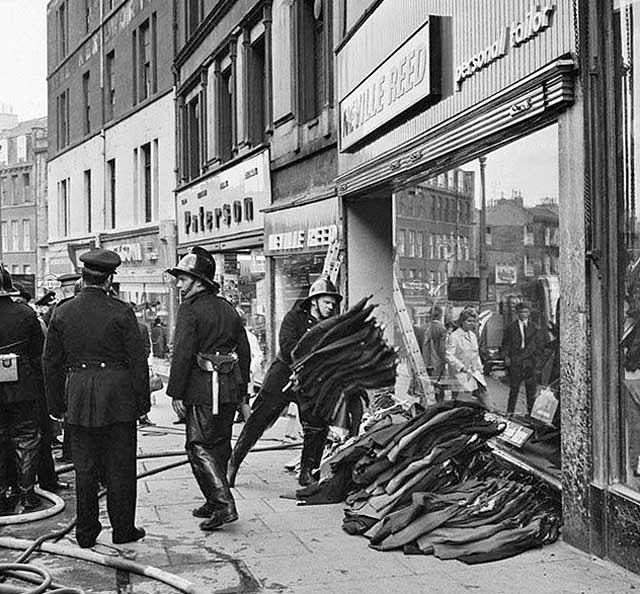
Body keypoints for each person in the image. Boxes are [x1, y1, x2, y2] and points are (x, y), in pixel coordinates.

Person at [43, 249, 149, 548]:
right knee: (121, 467)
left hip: (78, 395)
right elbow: (137, 361)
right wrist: (142, 403)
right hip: (118, 397)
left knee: (85, 469)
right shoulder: (121, 311)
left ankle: (86, 533)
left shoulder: (62, 311)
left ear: (83, 277)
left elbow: (50, 363)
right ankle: (123, 529)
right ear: (109, 279)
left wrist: (56, 406)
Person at [227, 276, 342, 488]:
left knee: (316, 426)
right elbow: (288, 346)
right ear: (314, 300)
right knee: (258, 420)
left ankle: (308, 471)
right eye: (327, 302)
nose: (331, 306)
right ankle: (233, 464)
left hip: (310, 382)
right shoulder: (294, 318)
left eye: (333, 303)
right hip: (282, 376)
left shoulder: (332, 324)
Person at [166, 246, 250, 532]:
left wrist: (175, 392)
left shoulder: (189, 309)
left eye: (183, 279)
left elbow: (183, 352)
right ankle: (212, 501)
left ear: (199, 281)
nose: (179, 284)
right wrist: (243, 392)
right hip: (227, 387)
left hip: (202, 388)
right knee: (219, 445)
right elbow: (245, 351)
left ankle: (224, 504)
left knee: (198, 445)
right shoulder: (228, 307)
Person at [0, 265, 44, 513]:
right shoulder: (26, 314)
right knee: (27, 439)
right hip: (23, 386)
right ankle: (27, 494)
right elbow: (38, 354)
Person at [502, 302, 544, 415]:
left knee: (531, 390)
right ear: (517, 313)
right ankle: (510, 412)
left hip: (531, 361)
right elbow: (505, 344)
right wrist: (506, 357)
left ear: (529, 313)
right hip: (516, 360)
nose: (523, 314)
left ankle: (531, 414)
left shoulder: (535, 328)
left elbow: (539, 346)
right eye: (521, 312)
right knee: (514, 388)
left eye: (525, 312)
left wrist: (537, 359)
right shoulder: (510, 327)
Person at [446, 309, 489, 409]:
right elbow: (449, 355)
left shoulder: (473, 336)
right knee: (461, 403)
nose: (471, 324)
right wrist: (461, 367)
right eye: (469, 321)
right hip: (461, 374)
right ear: (462, 322)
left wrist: (479, 367)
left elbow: (475, 353)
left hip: (475, 373)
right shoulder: (455, 336)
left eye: (473, 321)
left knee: (484, 399)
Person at [421, 305, 448, 403]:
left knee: (425, 388)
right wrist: (446, 360)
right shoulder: (441, 329)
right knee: (439, 389)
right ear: (440, 315)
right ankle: (439, 407)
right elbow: (442, 349)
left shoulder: (423, 328)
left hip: (424, 362)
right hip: (437, 364)